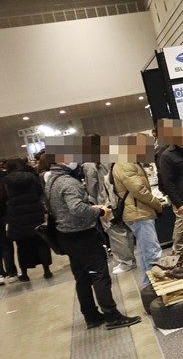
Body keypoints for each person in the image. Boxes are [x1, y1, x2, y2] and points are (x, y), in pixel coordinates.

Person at [45, 159, 140, 329]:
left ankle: (91, 315)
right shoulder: (69, 182)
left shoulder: (51, 180)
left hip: (66, 236)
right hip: (83, 235)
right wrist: (99, 211)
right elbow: (77, 208)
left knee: (82, 278)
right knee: (99, 275)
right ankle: (112, 316)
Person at [112, 134, 164, 293]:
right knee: (151, 250)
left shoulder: (130, 161)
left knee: (145, 249)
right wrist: (157, 204)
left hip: (139, 211)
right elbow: (139, 190)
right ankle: (154, 286)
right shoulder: (125, 163)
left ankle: (150, 283)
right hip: (138, 213)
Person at [82, 137, 137, 275]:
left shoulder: (89, 163)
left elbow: (92, 188)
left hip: (105, 202)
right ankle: (130, 259)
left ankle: (126, 261)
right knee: (125, 231)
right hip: (121, 199)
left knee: (114, 232)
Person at [0, 158, 52, 281]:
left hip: (17, 218)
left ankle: (24, 274)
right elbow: (40, 192)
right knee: (41, 243)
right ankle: (47, 270)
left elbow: (3, 199)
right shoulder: (32, 178)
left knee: (22, 246)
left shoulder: (5, 182)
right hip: (35, 214)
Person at [155, 120, 183, 255]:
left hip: (180, 189)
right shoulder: (164, 151)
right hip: (176, 191)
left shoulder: (168, 147)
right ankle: (178, 250)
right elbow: (165, 177)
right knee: (181, 219)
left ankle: (180, 249)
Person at [0, 158, 18, 285]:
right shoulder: (4, 177)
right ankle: (11, 273)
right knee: (6, 245)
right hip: (3, 215)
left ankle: (0, 274)